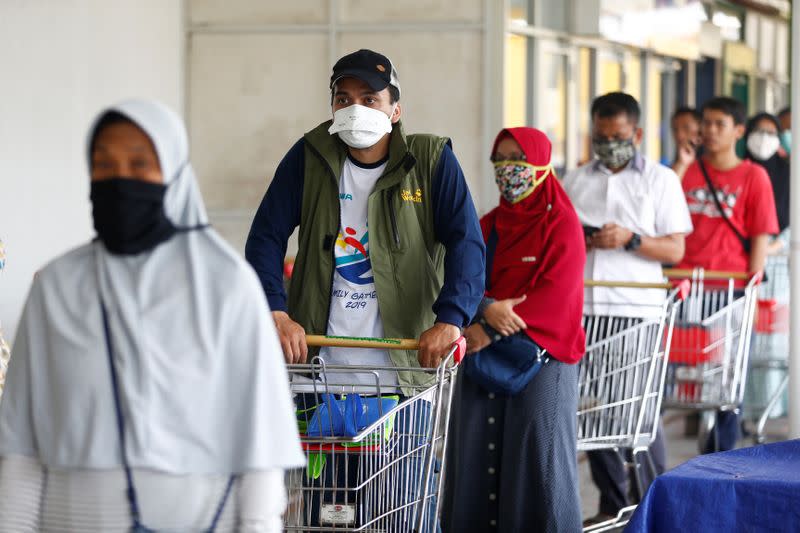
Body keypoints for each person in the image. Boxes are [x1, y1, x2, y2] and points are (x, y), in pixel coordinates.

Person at [0, 100, 304, 532]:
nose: (119, 179)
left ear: (176, 175)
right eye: (103, 165)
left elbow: (259, 455)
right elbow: (22, 451)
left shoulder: (225, 286)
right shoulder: (56, 287)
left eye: (140, 164)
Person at [245, 48, 484, 377]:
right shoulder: (308, 157)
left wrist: (450, 319)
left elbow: (466, 244)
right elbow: (265, 237)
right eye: (343, 99)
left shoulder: (430, 161)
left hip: (405, 365)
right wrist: (276, 311)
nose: (354, 109)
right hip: (318, 364)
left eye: (369, 99)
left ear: (395, 110)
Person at [442, 127, 586, 533]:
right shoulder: (487, 224)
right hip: (481, 354)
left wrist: (489, 328)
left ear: (542, 165)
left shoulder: (562, 222)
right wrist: (486, 308)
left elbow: (560, 293)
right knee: (474, 457)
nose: (508, 170)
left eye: (518, 160)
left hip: (542, 357)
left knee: (538, 460)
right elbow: (462, 275)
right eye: (500, 160)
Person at [562, 92, 693, 525]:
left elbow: (674, 248)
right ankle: (612, 502)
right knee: (595, 413)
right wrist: (584, 237)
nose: (608, 144)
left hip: (636, 313)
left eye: (617, 136)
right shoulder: (575, 180)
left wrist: (630, 240)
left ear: (636, 133)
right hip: (583, 312)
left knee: (638, 413)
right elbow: (557, 241)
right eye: (601, 136)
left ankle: (655, 501)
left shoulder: (660, 180)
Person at [676, 96, 779, 453]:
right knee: (678, 380)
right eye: (706, 123)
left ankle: (720, 455)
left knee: (728, 384)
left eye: (720, 124)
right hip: (683, 289)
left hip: (732, 290)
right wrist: (680, 163)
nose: (710, 130)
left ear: (738, 130)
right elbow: (657, 211)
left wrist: (753, 282)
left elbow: (760, 236)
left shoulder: (754, 176)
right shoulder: (684, 170)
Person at [744, 112, 790, 253]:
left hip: (781, 256)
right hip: (741, 251)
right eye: (759, 131)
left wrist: (774, 246)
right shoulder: (738, 170)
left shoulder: (790, 174)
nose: (764, 137)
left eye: (771, 133)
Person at [671, 106, 702, 180]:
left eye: (686, 128)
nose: (679, 135)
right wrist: (681, 164)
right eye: (675, 129)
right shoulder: (671, 167)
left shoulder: (710, 162)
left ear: (701, 129)